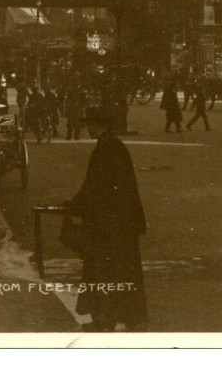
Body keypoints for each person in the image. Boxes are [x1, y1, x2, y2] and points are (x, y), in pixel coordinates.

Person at [65, 107, 148, 332]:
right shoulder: (114, 146)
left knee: (102, 268)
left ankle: (104, 318)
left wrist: (75, 205)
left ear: (97, 125)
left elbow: (95, 186)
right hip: (123, 220)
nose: (88, 129)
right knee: (124, 268)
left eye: (90, 125)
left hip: (109, 222)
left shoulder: (104, 149)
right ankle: (129, 315)